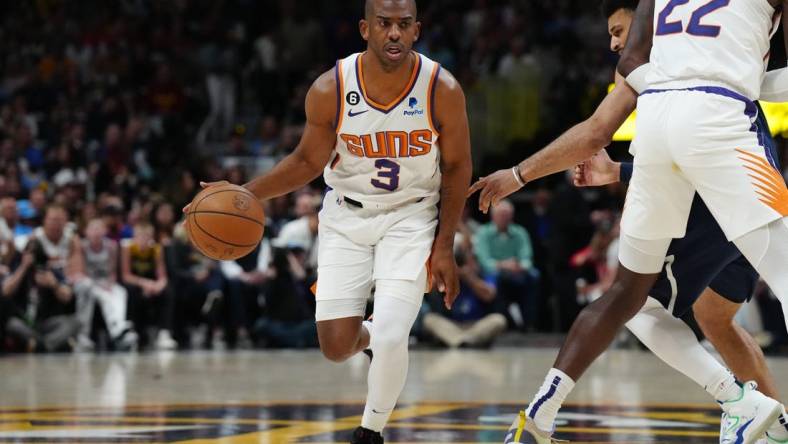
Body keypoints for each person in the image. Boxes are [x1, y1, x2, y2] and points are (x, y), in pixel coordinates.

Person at [468, 0, 788, 442]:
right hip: (721, 127)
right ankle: (759, 416)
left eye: (620, 31)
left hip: (662, 126)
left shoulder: (654, 43)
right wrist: (747, 78)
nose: (615, 43)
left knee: (637, 298)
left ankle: (540, 414)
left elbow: (616, 97)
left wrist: (523, 174)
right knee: (727, 307)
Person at [185, 0, 472, 441]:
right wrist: (244, 194)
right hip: (346, 216)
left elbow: (456, 168)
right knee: (337, 347)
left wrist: (444, 245)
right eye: (384, 24)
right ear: (365, 29)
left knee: (395, 333)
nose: (394, 33)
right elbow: (306, 161)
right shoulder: (331, 88)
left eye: (403, 25)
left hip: (412, 215)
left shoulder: (441, 89)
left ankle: (370, 430)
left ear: (417, 30)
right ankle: (376, 333)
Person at [423, 235, 506, 348]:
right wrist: (446, 274)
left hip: (476, 325)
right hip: (451, 325)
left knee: (498, 320)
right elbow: (429, 289)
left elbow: (489, 295)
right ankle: (464, 341)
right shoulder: (447, 274)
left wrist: (470, 278)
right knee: (429, 319)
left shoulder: (483, 272)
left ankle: (459, 341)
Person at [473, 200, 539, 330]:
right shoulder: (483, 232)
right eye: (501, 214)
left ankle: (529, 323)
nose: (504, 218)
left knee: (534, 276)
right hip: (494, 272)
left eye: (507, 215)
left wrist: (520, 266)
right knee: (496, 278)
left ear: (512, 216)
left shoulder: (520, 232)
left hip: (516, 271)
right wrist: (503, 265)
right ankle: (504, 322)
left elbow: (527, 258)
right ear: (493, 216)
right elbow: (484, 261)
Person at [72, 218, 137, 351]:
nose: (96, 232)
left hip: (106, 282)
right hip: (90, 282)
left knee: (120, 292)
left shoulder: (111, 246)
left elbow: (112, 272)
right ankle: (116, 331)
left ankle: (119, 327)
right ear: (86, 232)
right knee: (105, 297)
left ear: (104, 231)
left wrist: (109, 284)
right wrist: (101, 286)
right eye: (93, 229)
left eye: (99, 228)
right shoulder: (82, 247)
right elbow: (82, 271)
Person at [121, 221, 177, 350]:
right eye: (140, 236)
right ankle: (133, 331)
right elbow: (126, 276)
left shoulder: (156, 249)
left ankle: (164, 333)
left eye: (146, 236)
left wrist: (158, 285)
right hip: (136, 283)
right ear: (135, 237)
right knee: (131, 291)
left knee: (168, 291)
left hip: (152, 285)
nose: (143, 239)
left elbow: (162, 275)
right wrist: (144, 283)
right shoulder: (128, 249)